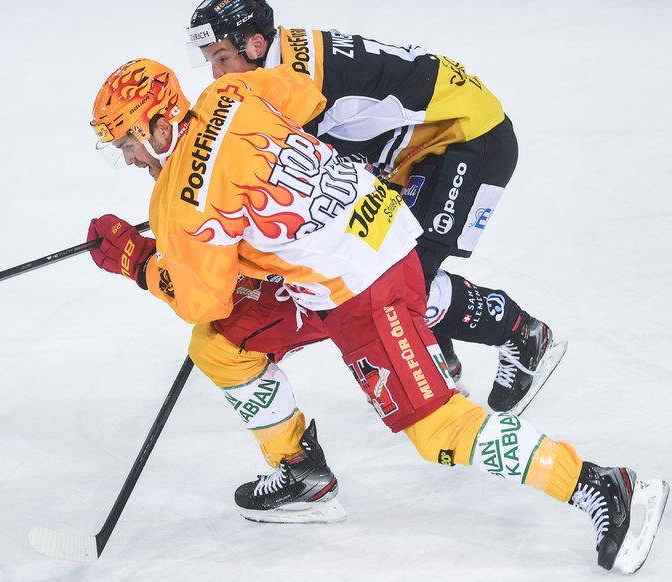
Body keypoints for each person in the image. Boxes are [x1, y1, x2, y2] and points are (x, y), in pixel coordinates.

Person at [83, 56, 668, 573]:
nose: (131, 160)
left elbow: (200, 298)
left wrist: (139, 260)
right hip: (370, 232)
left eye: (128, 144)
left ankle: (603, 486)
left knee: (438, 431)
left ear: (158, 125)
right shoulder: (228, 95)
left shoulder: (178, 205)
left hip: (363, 288)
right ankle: (301, 474)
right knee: (219, 344)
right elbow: (305, 96)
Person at [180, 0, 567, 514]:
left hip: (466, 137)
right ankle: (441, 354)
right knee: (389, 266)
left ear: (255, 44)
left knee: (399, 272)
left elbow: (288, 175)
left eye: (222, 56)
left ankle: (521, 333)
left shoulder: (295, 82)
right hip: (418, 146)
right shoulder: (278, 63)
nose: (216, 72)